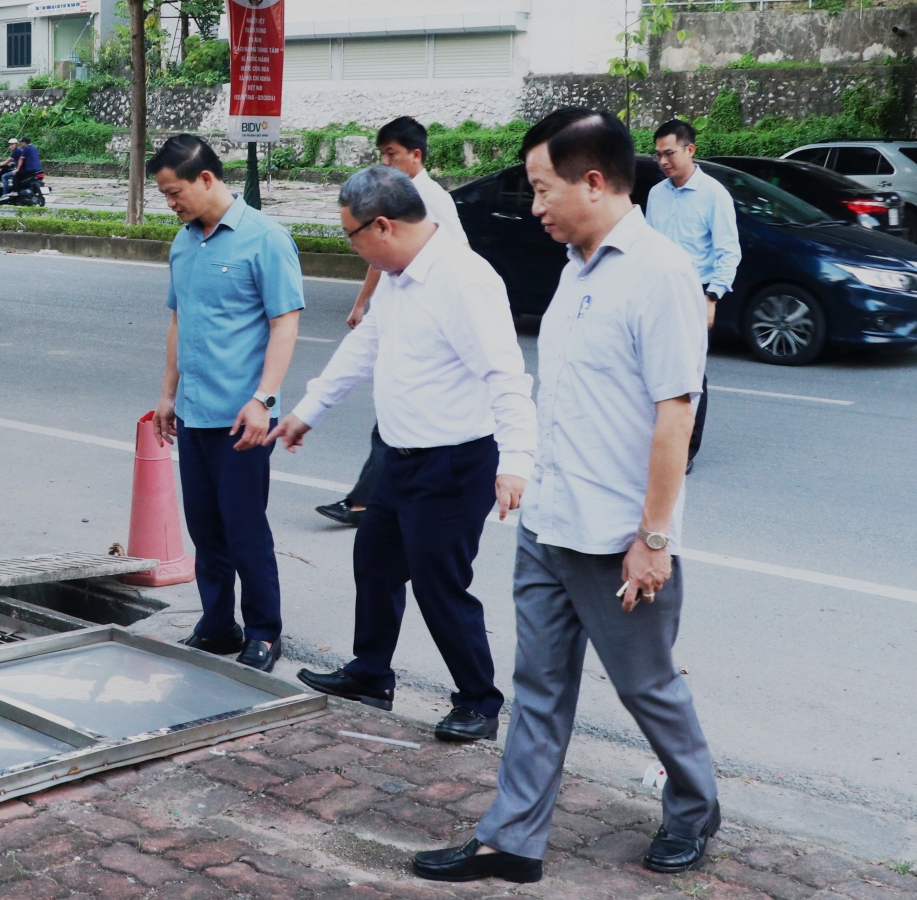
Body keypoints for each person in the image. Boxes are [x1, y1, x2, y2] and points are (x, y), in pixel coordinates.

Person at [412, 108, 718, 885]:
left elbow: (675, 414)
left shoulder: (662, 274)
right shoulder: (577, 269)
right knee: (538, 690)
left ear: (592, 180)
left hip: (616, 539)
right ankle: (512, 840)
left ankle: (694, 808)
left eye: (544, 189)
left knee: (647, 688)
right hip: (549, 524)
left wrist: (653, 538)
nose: (536, 206)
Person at [267, 166, 536, 742]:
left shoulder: (464, 279)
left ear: (382, 226)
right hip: (400, 456)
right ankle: (370, 675)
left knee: (440, 585)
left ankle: (479, 702)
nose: (352, 247)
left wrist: (516, 461)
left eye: (350, 236)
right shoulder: (400, 274)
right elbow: (364, 345)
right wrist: (309, 410)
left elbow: (506, 374)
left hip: (454, 461)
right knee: (377, 564)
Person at [148, 134, 304, 673]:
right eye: (165, 195)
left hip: (245, 418)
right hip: (193, 412)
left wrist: (264, 399)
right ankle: (218, 623)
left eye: (174, 192)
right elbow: (178, 319)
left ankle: (263, 631)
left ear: (207, 179)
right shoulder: (184, 242)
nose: (171, 203)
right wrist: (168, 394)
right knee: (205, 529)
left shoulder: (265, 238)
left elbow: (285, 321)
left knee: (244, 528)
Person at [315, 116, 469, 527]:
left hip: (425, 318)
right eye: (381, 155)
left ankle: (369, 502)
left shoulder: (428, 199)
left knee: (395, 418)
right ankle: (371, 501)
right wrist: (365, 302)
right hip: (397, 308)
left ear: (415, 155)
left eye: (391, 155)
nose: (385, 162)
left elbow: (462, 252)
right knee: (390, 411)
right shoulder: (396, 196)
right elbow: (382, 257)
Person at [646, 119, 739, 473]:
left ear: (690, 150)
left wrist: (712, 296)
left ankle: (684, 451)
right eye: (658, 155)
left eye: (669, 153)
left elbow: (728, 252)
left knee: (688, 375)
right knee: (652, 368)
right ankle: (654, 441)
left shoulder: (714, 194)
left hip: (695, 292)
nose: (663, 161)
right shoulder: (657, 194)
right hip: (657, 291)